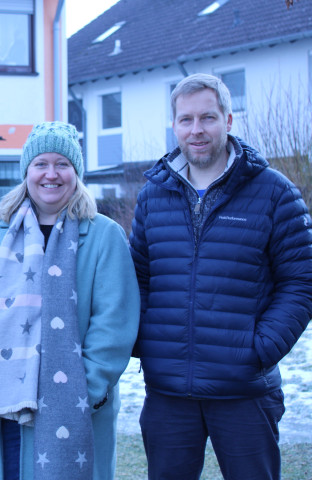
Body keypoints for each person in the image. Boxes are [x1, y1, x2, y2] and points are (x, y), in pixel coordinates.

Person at [129, 73, 312, 480]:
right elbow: (139, 277)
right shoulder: (153, 195)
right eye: (186, 120)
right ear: (174, 125)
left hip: (244, 390)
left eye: (208, 118)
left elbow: (301, 282)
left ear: (228, 121)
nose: (197, 130)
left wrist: (259, 349)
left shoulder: (274, 193)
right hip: (168, 391)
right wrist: (147, 340)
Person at [0, 121, 140, 480]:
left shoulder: (103, 235)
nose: (51, 174)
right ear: (26, 171)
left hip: (74, 405)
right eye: (41, 164)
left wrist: (85, 389)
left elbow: (114, 323)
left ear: (75, 171)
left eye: (62, 164)